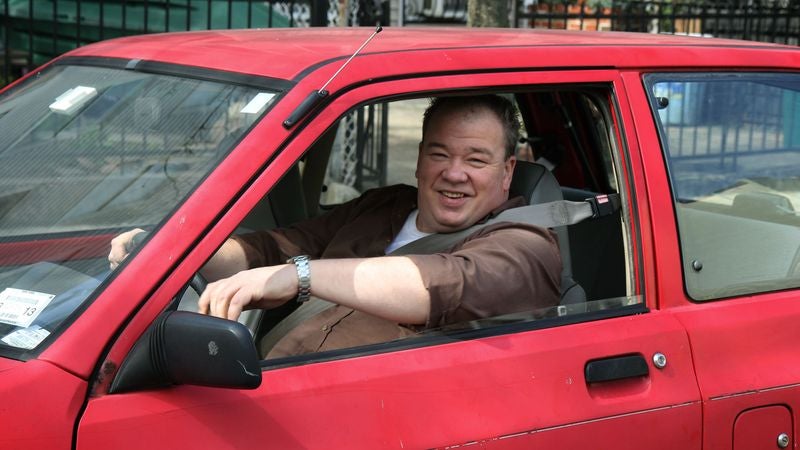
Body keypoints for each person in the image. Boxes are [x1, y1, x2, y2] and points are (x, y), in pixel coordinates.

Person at [110, 95, 562, 358]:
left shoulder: (525, 246)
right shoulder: (384, 205)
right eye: (439, 154)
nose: (454, 172)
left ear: (507, 172)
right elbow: (280, 245)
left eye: (476, 160)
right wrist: (173, 251)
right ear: (421, 159)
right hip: (260, 385)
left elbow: (445, 283)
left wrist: (300, 276)